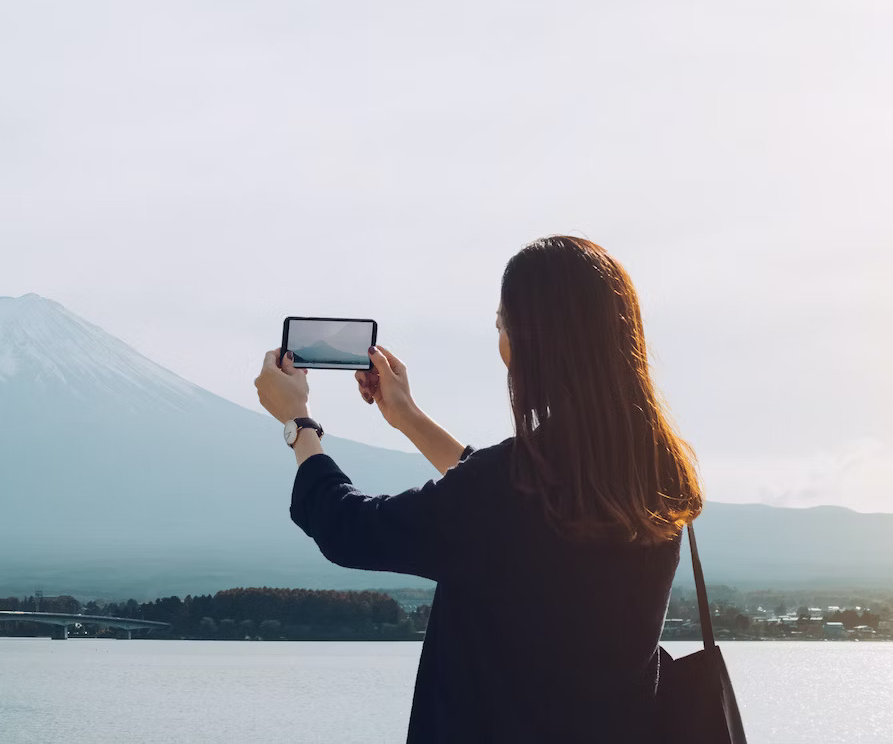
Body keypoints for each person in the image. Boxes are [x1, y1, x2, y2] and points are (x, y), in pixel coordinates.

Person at [254, 235, 703, 743]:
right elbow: (514, 507)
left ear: (532, 338)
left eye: (501, 324)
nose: (500, 342)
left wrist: (297, 422)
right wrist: (407, 417)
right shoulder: (658, 475)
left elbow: (347, 526)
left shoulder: (509, 490)